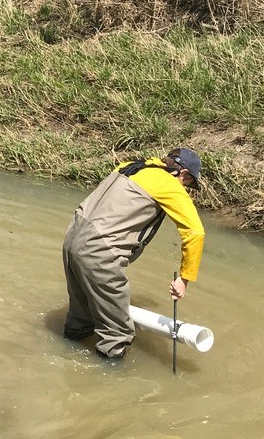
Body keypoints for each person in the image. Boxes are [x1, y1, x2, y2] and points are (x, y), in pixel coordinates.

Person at [62, 147, 206, 360]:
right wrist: (184, 279)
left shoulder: (129, 166)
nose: (186, 189)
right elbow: (195, 232)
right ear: (183, 174)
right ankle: (109, 385)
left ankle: (64, 352)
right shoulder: (168, 184)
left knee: (81, 318)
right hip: (99, 252)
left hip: (72, 240)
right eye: (189, 184)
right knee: (117, 333)